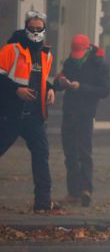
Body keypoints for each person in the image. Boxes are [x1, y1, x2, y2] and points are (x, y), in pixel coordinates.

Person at [0, 11, 59, 213]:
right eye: (32, 28)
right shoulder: (10, 50)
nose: (35, 32)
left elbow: (40, 78)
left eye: (39, 28)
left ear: (44, 29)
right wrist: (16, 90)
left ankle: (43, 203)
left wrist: (50, 89)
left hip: (34, 116)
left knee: (42, 155)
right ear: (26, 29)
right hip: (10, 114)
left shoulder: (46, 54)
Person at [54, 34, 110, 207]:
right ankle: (73, 192)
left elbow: (104, 90)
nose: (76, 55)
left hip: (85, 113)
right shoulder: (70, 62)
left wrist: (82, 87)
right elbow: (57, 85)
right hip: (69, 112)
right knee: (70, 153)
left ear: (87, 49)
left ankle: (86, 189)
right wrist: (60, 82)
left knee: (84, 152)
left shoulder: (99, 64)